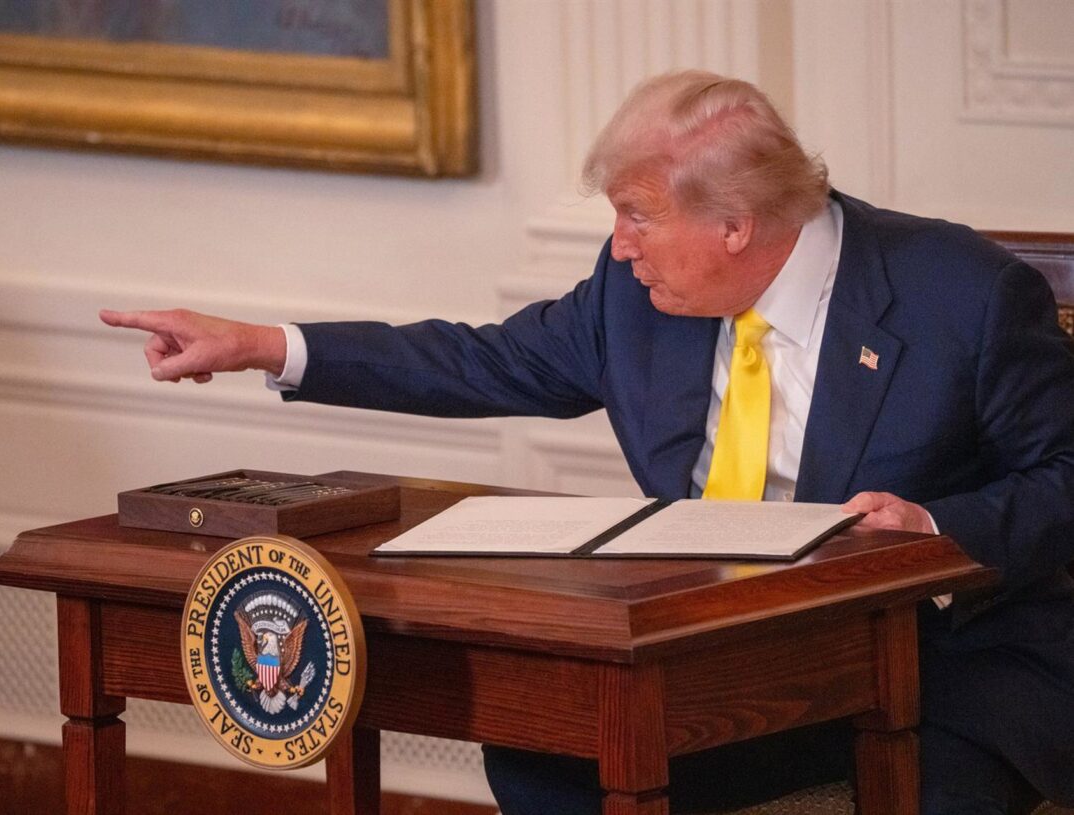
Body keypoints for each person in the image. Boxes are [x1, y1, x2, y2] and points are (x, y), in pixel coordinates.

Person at [101, 70, 1074, 815]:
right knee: (548, 759)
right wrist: (264, 346)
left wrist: (937, 525)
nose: (620, 245)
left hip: (950, 664)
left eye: (638, 215)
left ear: (734, 224)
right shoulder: (638, 299)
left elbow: (1065, 480)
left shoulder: (964, 294)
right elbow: (482, 363)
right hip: (742, 654)